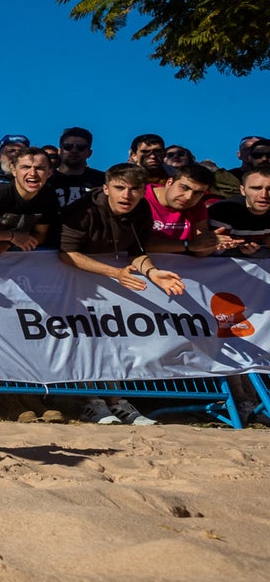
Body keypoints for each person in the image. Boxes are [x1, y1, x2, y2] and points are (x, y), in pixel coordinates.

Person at [57, 162, 186, 427]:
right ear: (106, 188)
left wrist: (152, 273)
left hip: (109, 282)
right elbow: (67, 253)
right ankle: (91, 403)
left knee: (110, 342)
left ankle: (117, 402)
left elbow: (136, 252)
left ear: (142, 191)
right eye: (119, 188)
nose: (127, 195)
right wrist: (114, 272)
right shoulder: (81, 210)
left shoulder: (141, 210)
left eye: (134, 189)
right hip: (67, 281)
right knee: (83, 342)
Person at [0, 146, 60, 260]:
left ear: (50, 172)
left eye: (40, 168)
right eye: (25, 167)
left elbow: (40, 234)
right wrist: (11, 237)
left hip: (16, 260)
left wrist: (9, 243)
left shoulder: (48, 197)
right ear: (13, 170)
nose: (32, 173)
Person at [145, 163, 223, 255]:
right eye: (184, 188)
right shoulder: (140, 198)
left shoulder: (197, 205)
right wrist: (187, 245)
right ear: (169, 182)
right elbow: (137, 244)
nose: (188, 197)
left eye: (198, 193)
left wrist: (212, 244)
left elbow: (200, 252)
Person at [209, 164, 270, 253]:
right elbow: (209, 251)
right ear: (242, 190)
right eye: (256, 188)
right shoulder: (223, 211)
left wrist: (257, 250)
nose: (264, 195)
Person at [47, 127, 107, 210]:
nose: (74, 150)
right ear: (59, 151)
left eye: (81, 147)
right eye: (68, 147)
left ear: (89, 153)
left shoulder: (103, 180)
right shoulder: (46, 180)